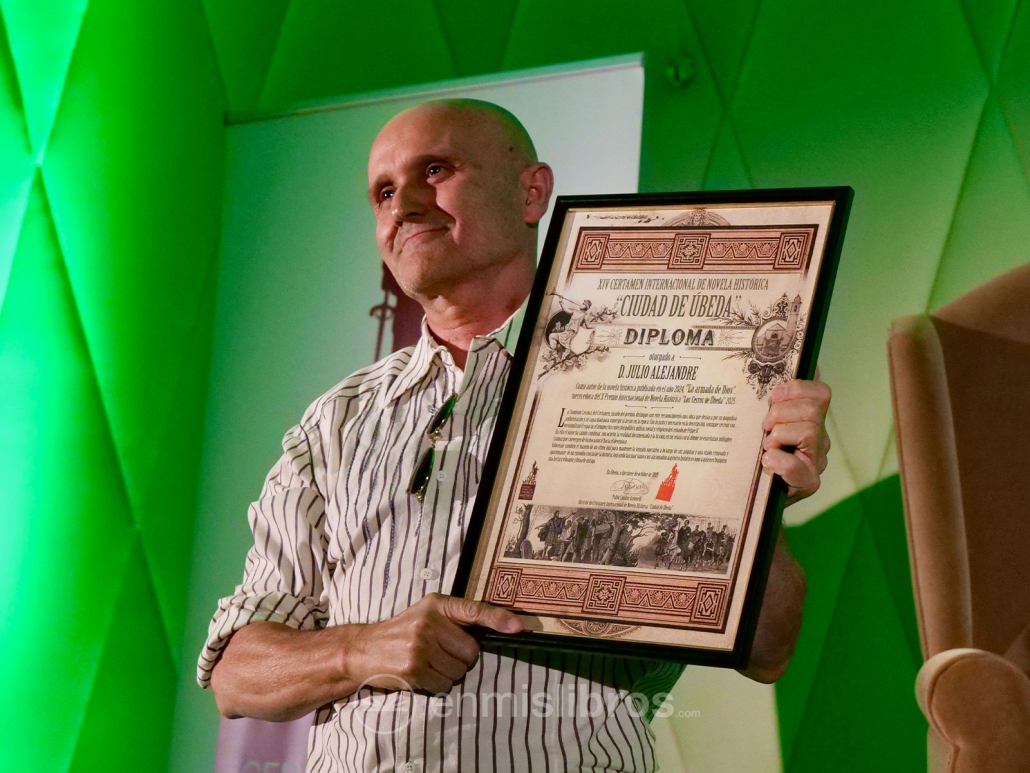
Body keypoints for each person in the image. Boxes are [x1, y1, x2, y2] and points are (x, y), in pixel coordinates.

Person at [200, 99, 829, 772]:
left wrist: (758, 496)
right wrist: (364, 649)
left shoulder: (656, 376)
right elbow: (236, 672)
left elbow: (768, 649)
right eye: (382, 191)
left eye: (435, 169)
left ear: (532, 192)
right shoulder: (337, 420)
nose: (403, 204)